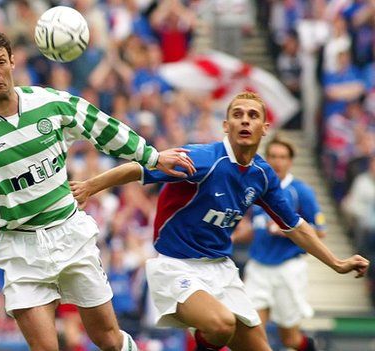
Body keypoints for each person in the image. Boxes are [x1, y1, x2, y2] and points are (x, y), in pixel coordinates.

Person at [0, 28, 194, 351]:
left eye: (1, 61)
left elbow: (104, 128)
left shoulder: (51, 103)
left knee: (109, 340)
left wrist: (153, 157)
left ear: (13, 61)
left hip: (70, 234)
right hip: (21, 249)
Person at [70, 91, 369, 351]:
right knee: (222, 324)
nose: (245, 120)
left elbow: (296, 227)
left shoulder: (261, 176)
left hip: (222, 271)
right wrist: (89, 186)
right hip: (177, 266)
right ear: (226, 126)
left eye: (253, 116)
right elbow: (140, 169)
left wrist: (337, 263)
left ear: (264, 128)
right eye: (237, 115)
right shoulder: (203, 159)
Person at [232, 136, 325, 351]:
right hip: (258, 268)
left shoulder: (301, 191)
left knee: (290, 340)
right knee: (251, 330)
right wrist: (235, 236)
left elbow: (321, 232)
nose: (277, 161)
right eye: (272, 156)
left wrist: (289, 231)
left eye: (282, 157)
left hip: (287, 269)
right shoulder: (257, 188)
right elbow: (256, 227)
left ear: (290, 161)